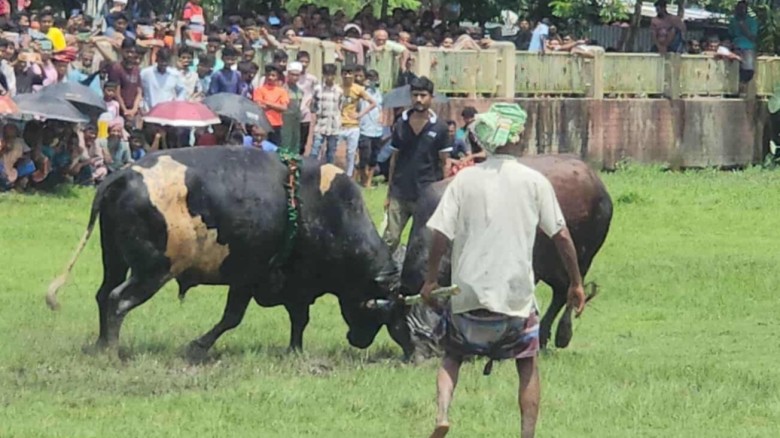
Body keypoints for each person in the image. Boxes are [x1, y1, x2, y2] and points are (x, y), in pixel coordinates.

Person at [420, 103, 587, 438]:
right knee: (528, 365)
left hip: (467, 295)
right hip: (515, 298)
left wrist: (431, 280)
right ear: (516, 137)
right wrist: (576, 282)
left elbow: (440, 234)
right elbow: (561, 235)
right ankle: (527, 434)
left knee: (452, 356)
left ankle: (442, 413)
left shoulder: (464, 180)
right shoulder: (534, 181)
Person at [383, 76, 451, 254]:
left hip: (427, 193)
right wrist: (389, 193)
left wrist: (444, 195)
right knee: (390, 239)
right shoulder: (400, 124)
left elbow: (445, 162)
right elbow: (394, 159)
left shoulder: (440, 128)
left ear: (431, 97)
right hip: (400, 192)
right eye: (415, 95)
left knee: (422, 242)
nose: (418, 99)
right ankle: (382, 269)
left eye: (423, 95)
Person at [339, 64, 376, 177]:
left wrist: (359, 114)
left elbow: (373, 103)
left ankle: (349, 176)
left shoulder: (358, 89)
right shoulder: (337, 88)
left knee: (351, 154)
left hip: (353, 126)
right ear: (341, 75)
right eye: (345, 73)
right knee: (335, 152)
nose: (347, 76)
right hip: (339, 125)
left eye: (350, 73)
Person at [309, 63, 342, 163]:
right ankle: (311, 169)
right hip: (320, 125)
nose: (329, 77)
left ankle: (328, 171)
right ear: (323, 75)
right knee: (315, 150)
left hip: (334, 126)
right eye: (327, 74)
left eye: (331, 74)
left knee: (331, 153)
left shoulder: (339, 91)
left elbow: (341, 107)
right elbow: (313, 106)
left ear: (335, 75)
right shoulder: (318, 89)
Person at [356, 69, 383, 188]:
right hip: (365, 129)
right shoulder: (362, 92)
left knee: (373, 158)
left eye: (374, 79)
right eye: (370, 78)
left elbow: (380, 107)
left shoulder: (379, 93)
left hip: (377, 129)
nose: (373, 81)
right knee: (364, 156)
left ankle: (368, 182)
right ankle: (363, 179)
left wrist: (382, 116)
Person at [252, 63, 289, 146]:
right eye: (268, 75)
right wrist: (276, 106)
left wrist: (267, 102)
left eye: (273, 75)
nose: (270, 77)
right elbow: (258, 106)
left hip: (276, 124)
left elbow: (283, 108)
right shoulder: (259, 90)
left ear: (277, 77)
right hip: (262, 124)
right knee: (260, 146)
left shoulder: (282, 91)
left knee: (274, 148)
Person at [729, 0, 758, 85]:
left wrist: (743, 26)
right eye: (739, 8)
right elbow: (730, 34)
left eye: (743, 8)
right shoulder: (733, 21)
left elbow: (753, 37)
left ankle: (743, 85)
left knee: (748, 69)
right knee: (733, 69)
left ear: (746, 9)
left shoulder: (752, 21)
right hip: (735, 47)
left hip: (747, 48)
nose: (741, 10)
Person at [280, 61, 303, 154]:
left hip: (296, 119)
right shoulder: (283, 89)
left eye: (297, 75)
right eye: (293, 74)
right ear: (288, 74)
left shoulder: (299, 90)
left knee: (295, 142)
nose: (295, 77)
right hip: (285, 118)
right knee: (285, 142)